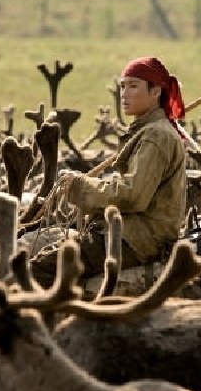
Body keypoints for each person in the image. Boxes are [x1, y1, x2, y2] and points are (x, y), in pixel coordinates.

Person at [30, 56, 187, 289]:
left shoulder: (156, 136)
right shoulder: (150, 131)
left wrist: (82, 186)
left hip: (138, 239)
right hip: (132, 233)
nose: (124, 93)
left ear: (156, 92)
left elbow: (133, 195)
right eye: (123, 86)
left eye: (134, 86)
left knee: (37, 269)